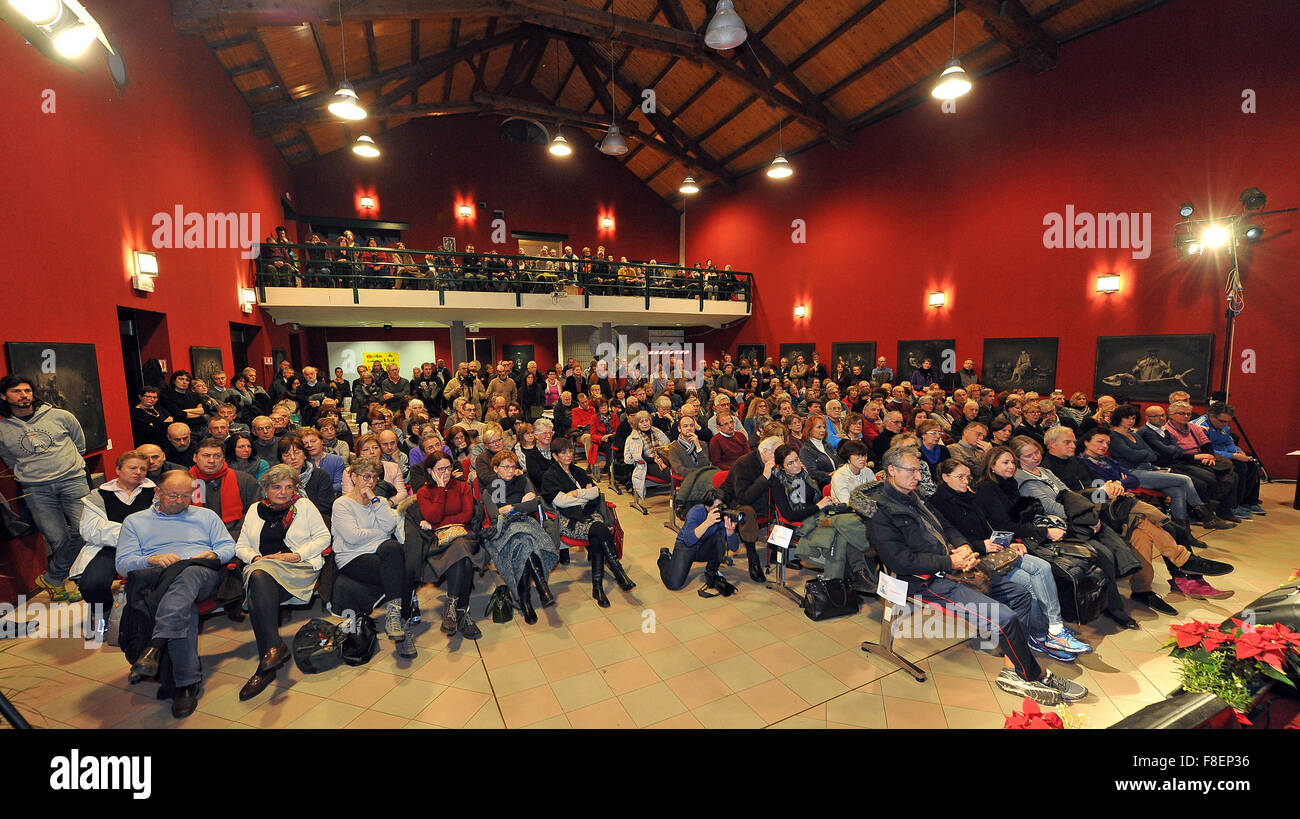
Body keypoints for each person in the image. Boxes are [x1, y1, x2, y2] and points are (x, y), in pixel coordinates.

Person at [860, 448, 1087, 705]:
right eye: (911, 470)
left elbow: (945, 526)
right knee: (1004, 617)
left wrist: (963, 546)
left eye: (918, 470)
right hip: (922, 581)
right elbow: (898, 560)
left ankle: (1014, 666)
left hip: (952, 569)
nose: (918, 476)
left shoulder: (915, 498)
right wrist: (949, 560)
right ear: (892, 471)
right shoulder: (880, 513)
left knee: (1021, 595)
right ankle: (1034, 673)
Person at [115, 470, 238, 718]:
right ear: (157, 493)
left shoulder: (206, 516)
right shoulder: (135, 522)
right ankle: (185, 685)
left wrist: (213, 555)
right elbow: (123, 563)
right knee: (184, 609)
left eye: (186, 496)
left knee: (189, 572)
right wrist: (151, 559)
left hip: (202, 574)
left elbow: (228, 546)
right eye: (173, 495)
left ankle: (155, 646)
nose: (180, 501)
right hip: (158, 578)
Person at [232, 464, 330, 700]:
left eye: (289, 487)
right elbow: (241, 546)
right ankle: (273, 650)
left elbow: (323, 536)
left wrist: (296, 555)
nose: (284, 492)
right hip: (263, 569)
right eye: (277, 487)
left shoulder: (303, 506)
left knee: (257, 584)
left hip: (297, 567)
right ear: (266, 489)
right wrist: (256, 557)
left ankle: (266, 665)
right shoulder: (255, 509)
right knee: (258, 576)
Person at [0, 374, 90, 602]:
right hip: (36, 489)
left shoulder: (59, 416)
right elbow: (8, 458)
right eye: (17, 391)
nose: (24, 395)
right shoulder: (2, 428)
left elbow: (79, 443)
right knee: (57, 538)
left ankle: (56, 576)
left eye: (27, 391)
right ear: (4, 396)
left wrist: (69, 465)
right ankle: (63, 583)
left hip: (72, 480)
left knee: (84, 530)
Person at [332, 457, 419, 657]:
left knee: (393, 548)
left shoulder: (378, 501)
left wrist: (374, 501)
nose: (370, 482)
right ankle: (401, 630)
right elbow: (353, 538)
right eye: (365, 477)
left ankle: (395, 616)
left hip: (381, 551)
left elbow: (389, 526)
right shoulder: (342, 504)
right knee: (403, 572)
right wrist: (379, 533)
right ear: (353, 477)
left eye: (374, 477)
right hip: (352, 557)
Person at [542, 437, 636, 606]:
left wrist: (576, 494)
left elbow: (595, 492)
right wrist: (583, 494)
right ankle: (616, 573)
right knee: (600, 531)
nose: (569, 455)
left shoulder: (577, 471)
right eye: (563, 452)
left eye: (570, 451)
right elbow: (560, 502)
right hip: (568, 519)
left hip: (590, 514)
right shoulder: (550, 476)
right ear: (555, 456)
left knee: (597, 533)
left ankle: (598, 587)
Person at [73, 450, 156, 635]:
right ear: (118, 469)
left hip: (147, 548)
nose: (138, 472)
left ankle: (145, 621)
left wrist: (114, 528)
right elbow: (90, 529)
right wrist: (131, 532)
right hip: (109, 548)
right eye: (132, 467)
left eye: (143, 468)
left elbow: (158, 525)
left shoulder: (156, 493)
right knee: (91, 584)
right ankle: (106, 617)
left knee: (150, 581)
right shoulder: (99, 495)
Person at [1105, 404, 1225, 529]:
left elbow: (1152, 455)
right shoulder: (1114, 437)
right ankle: (1207, 516)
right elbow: (1132, 456)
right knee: (1185, 479)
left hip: (1148, 469)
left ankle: (1183, 531)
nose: (1131, 421)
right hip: (1131, 474)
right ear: (1119, 418)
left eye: (1133, 418)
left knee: (1178, 490)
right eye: (1127, 418)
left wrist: (1142, 455)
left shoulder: (1134, 435)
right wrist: (1144, 454)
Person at [408, 454, 488, 638]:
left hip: (464, 536)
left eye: (448, 468)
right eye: (440, 469)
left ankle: (452, 606)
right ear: (430, 471)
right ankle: (461, 612)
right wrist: (441, 490)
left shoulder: (462, 487)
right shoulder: (424, 492)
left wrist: (437, 523)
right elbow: (434, 516)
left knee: (462, 550)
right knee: (464, 561)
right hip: (440, 543)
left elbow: (466, 515)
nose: (446, 473)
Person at [481, 450, 558, 624]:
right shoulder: (493, 488)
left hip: (527, 524)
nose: (510, 470)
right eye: (505, 467)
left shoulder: (523, 481)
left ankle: (525, 603)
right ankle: (542, 588)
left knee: (525, 545)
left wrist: (513, 507)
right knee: (526, 542)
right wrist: (521, 504)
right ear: (496, 468)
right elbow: (496, 516)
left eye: (513, 466)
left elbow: (534, 504)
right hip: (505, 530)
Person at [1193, 402, 1266, 518]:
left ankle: (1249, 501)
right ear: (1212, 416)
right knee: (1240, 465)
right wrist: (1233, 456)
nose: (1225, 424)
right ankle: (1234, 505)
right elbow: (1205, 449)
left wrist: (1236, 451)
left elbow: (1228, 441)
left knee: (1252, 462)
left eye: (1228, 422)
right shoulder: (1199, 426)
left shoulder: (1223, 425)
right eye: (1222, 421)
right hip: (1208, 454)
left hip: (1223, 452)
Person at [660, 490, 739, 594]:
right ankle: (664, 557)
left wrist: (730, 532)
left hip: (703, 548)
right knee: (674, 583)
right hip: (686, 547)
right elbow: (688, 541)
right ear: (707, 506)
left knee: (719, 536)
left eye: (722, 506)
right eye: (716, 507)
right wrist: (707, 522)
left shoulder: (723, 516)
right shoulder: (696, 512)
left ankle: (712, 570)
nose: (720, 510)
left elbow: (734, 548)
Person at [190, 437, 260, 538]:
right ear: (195, 457)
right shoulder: (183, 483)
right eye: (206, 456)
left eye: (217, 456)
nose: (211, 460)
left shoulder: (245, 481)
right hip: (195, 536)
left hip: (236, 536)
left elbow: (254, 515)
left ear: (223, 458)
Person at [277, 435, 335, 525]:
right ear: (281, 459)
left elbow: (326, 506)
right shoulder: (277, 479)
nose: (293, 457)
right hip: (285, 523)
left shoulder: (321, 475)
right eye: (287, 455)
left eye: (297, 452)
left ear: (304, 455)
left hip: (317, 522)